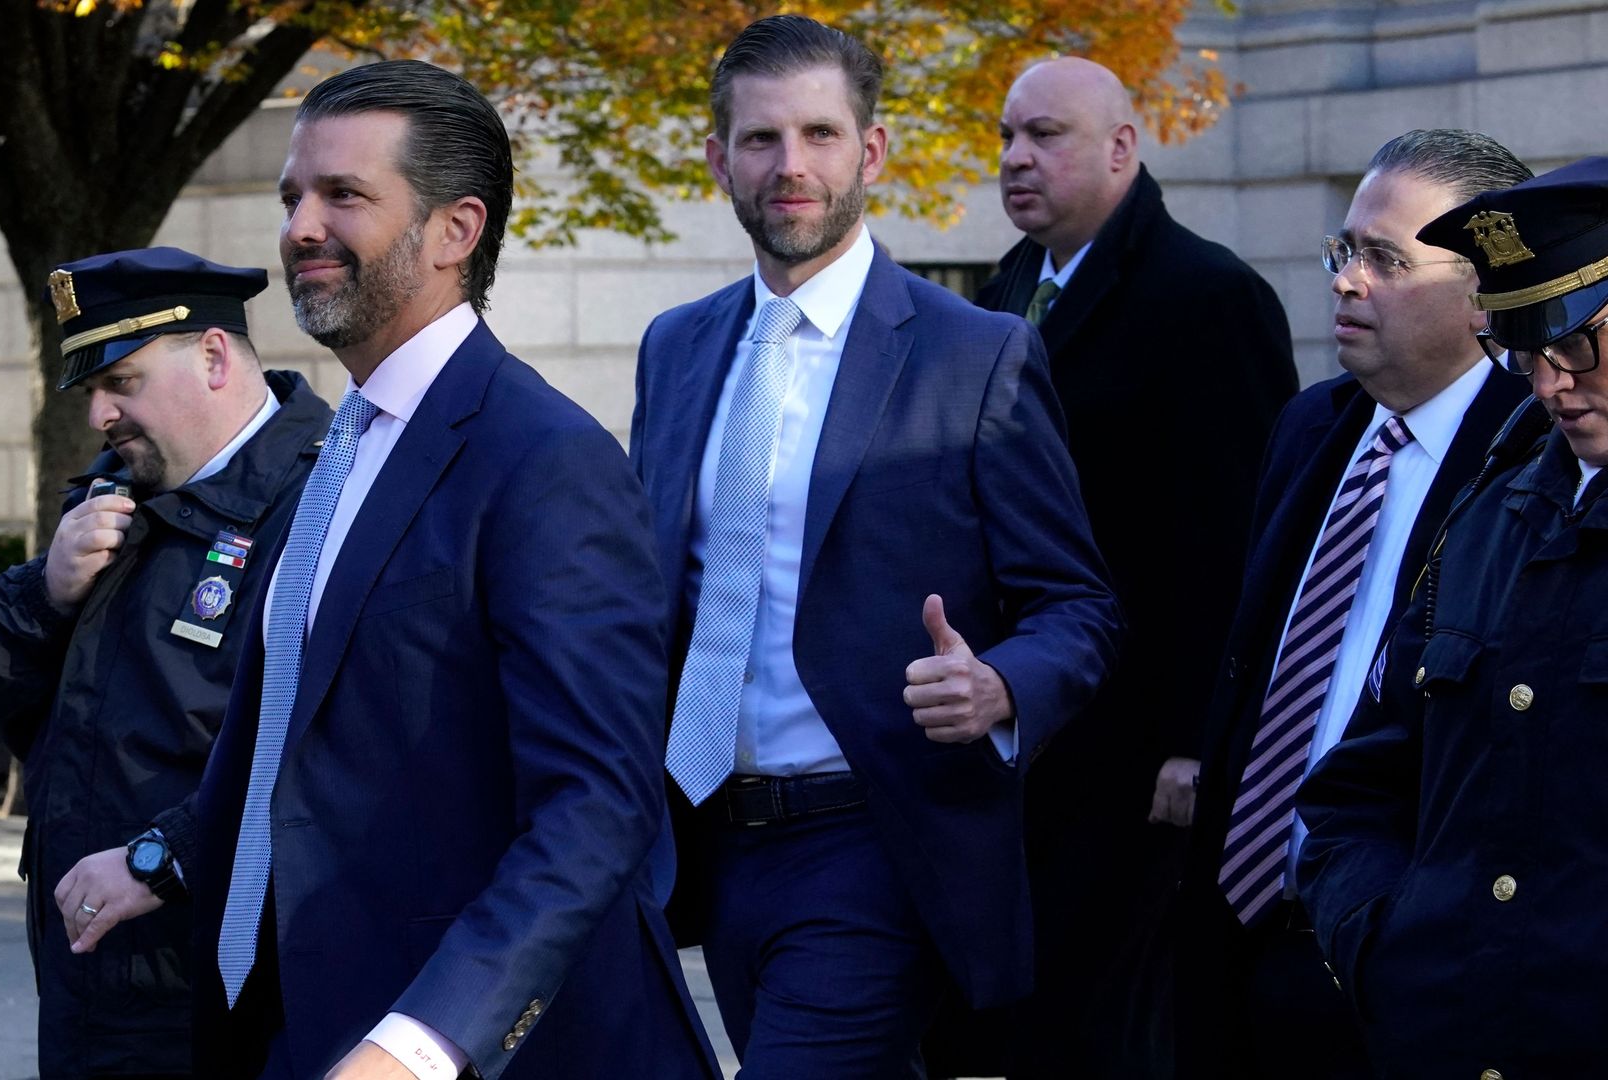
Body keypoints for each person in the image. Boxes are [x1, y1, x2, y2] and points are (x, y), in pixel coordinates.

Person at [82, 60, 717, 1080]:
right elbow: (307, 733)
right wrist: (163, 859)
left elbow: (597, 810)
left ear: (454, 231)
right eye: (294, 196)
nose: (299, 227)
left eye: (345, 195)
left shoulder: (544, 461)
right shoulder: (344, 447)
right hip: (291, 1020)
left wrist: (421, 1046)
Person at [631, 16, 1121, 1077]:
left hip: (874, 839)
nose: (791, 166)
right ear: (719, 159)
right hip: (706, 844)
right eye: (761, 140)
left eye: (819, 133)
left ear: (873, 150)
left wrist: (1000, 685)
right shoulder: (676, 349)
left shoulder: (977, 353)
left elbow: (1079, 606)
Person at [968, 57, 1300, 1075]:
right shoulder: (1009, 288)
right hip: (1027, 739)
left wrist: (1201, 745)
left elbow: (1245, 541)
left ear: (1124, 148)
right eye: (1008, 137)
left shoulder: (1209, 298)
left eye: (1047, 136)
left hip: (1142, 761)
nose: (1017, 158)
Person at [1179, 130, 1533, 1080]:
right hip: (1242, 932)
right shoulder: (1312, 425)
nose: (1345, 281)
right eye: (1345, 251)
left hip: (1399, 962)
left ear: (1483, 290)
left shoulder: (1533, 459)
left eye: (1385, 259)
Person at [0, 247, 332, 1078]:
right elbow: (1, 701)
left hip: (224, 990)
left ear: (211, 356)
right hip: (93, 978)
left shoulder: (321, 503)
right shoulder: (112, 492)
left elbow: (330, 754)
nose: (99, 415)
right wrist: (45, 594)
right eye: (89, 391)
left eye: (120, 383)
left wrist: (163, 860)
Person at [1296, 155, 1608, 1079]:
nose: (1551, 386)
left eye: (1581, 344)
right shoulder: (1488, 519)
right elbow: (1356, 790)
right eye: (1523, 353)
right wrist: (1387, 942)